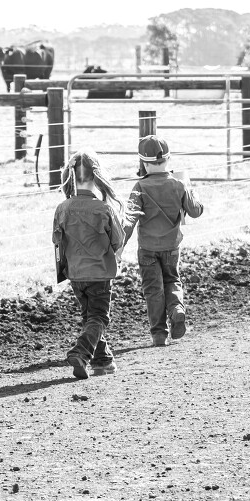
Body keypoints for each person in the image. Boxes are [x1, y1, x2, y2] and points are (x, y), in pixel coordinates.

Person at [51, 150, 127, 380]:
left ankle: (102, 361)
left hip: (75, 274)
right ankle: (81, 352)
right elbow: (118, 241)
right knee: (99, 318)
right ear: (97, 177)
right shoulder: (103, 209)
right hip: (99, 273)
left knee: (90, 318)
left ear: (71, 176)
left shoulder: (62, 208)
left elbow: (57, 241)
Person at [123, 135, 204, 346]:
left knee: (153, 289)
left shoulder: (139, 187)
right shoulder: (179, 184)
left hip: (147, 248)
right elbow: (195, 212)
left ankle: (159, 334)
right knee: (172, 280)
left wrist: (119, 247)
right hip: (171, 246)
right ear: (168, 159)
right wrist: (193, 193)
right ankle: (176, 309)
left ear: (143, 163)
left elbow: (129, 220)